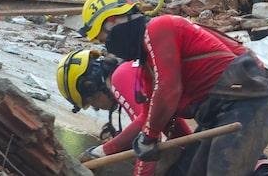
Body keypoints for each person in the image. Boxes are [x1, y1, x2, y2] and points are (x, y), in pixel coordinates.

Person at [80, 0, 268, 176]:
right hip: (217, 118)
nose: (107, 45)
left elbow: (168, 90)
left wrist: (149, 137)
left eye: (103, 37)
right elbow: (147, 118)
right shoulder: (146, 68)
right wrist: (101, 152)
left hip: (246, 107)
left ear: (113, 22)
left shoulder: (159, 28)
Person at [57, 48, 193, 176]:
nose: (98, 108)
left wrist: (100, 152)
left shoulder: (120, 76)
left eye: (93, 104)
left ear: (91, 88)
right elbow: (179, 134)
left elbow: (147, 132)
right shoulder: (130, 69)